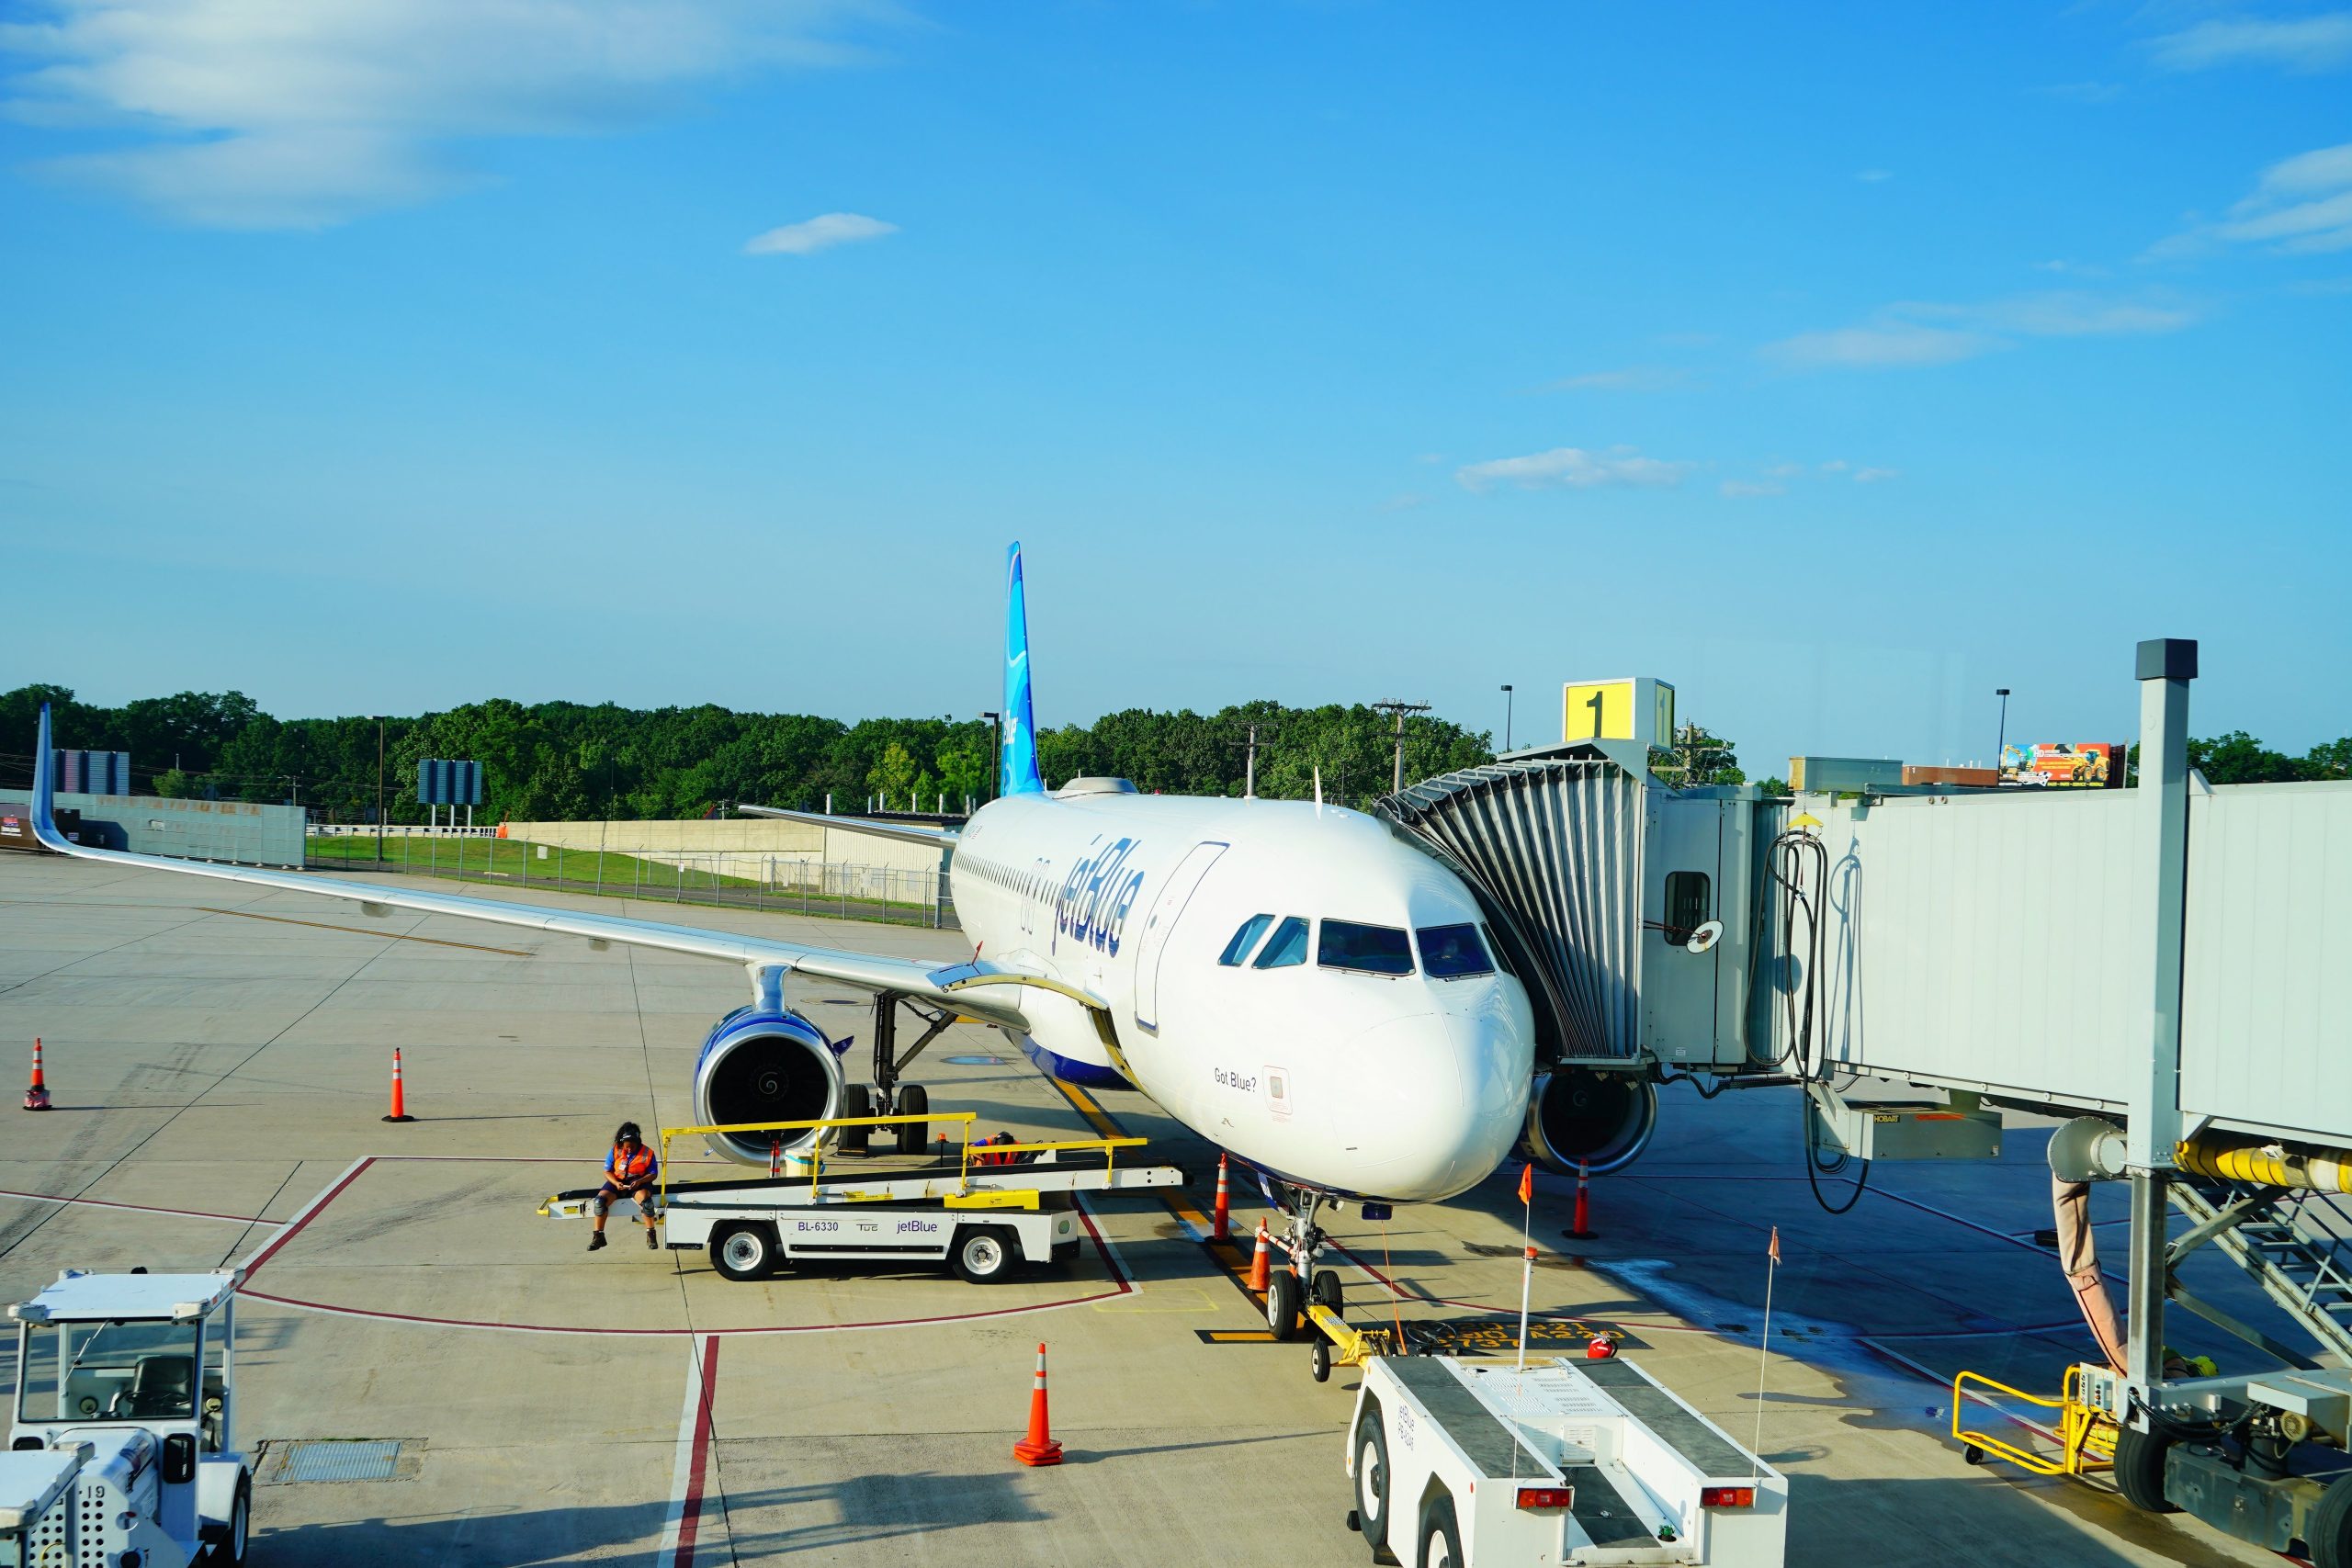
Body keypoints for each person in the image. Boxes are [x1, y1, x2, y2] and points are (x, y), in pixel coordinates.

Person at [589, 1122, 660, 1251]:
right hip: (617, 1182)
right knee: (599, 1202)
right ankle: (598, 1237)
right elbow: (607, 1171)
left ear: (638, 1142)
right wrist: (616, 1183)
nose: (629, 1149)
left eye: (632, 1147)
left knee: (647, 1203)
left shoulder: (648, 1153)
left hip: (639, 1182)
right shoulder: (615, 1150)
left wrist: (640, 1181)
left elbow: (653, 1174)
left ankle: (651, 1235)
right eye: (627, 1147)